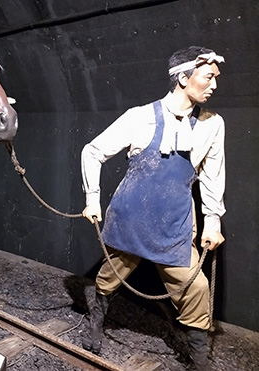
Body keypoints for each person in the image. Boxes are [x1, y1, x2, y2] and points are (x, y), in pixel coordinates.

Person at [80, 46, 226, 370]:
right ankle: (95, 322)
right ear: (183, 78)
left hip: (174, 223)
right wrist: (92, 198)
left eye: (216, 77)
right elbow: (93, 151)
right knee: (109, 278)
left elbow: (213, 176)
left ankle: (199, 358)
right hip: (130, 216)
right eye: (208, 77)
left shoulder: (212, 125)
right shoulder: (141, 116)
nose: (215, 84)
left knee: (196, 286)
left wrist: (212, 221)